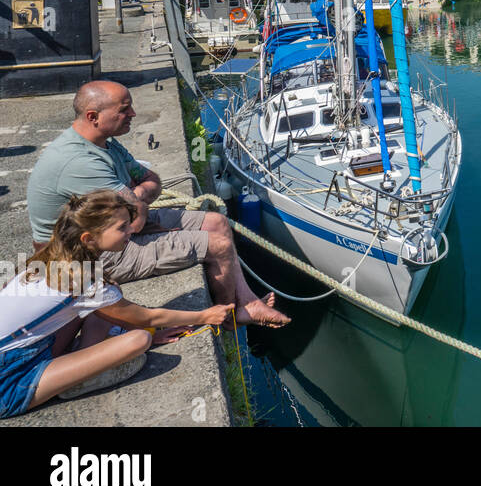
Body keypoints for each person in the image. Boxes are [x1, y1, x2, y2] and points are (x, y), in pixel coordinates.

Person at [26, 81, 289, 328]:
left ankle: (249, 304)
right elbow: (136, 220)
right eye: (124, 109)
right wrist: (136, 202)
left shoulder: (106, 144)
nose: (133, 113)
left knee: (216, 222)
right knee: (218, 245)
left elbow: (152, 181)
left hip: (115, 231)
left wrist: (134, 196)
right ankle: (228, 317)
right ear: (93, 116)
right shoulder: (80, 163)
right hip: (90, 253)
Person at [1, 191, 232, 419]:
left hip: (28, 347)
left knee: (109, 300)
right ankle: (75, 381)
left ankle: (78, 363)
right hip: (8, 378)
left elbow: (126, 313)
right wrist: (205, 316)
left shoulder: (52, 259)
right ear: (88, 239)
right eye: (122, 227)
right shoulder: (81, 281)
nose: (131, 230)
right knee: (139, 339)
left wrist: (141, 325)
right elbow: (148, 318)